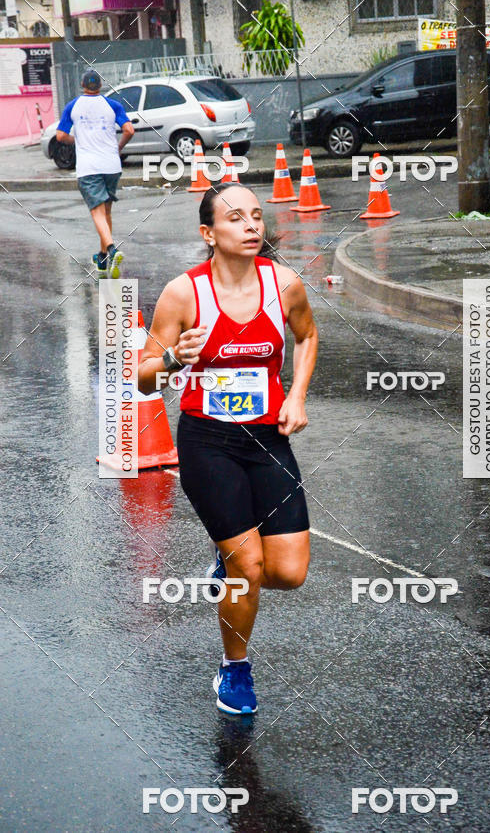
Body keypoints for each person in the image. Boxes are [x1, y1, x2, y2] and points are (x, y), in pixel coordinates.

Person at [138, 182, 318, 714]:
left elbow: (307, 337)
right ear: (208, 233)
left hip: (267, 438)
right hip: (207, 441)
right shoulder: (183, 294)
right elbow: (144, 378)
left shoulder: (284, 284)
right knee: (250, 567)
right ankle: (234, 670)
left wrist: (298, 395)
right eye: (236, 218)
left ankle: (228, 561)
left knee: (288, 572)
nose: (251, 226)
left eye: (257, 217)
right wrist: (171, 361)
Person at [56, 69, 135, 278]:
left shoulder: (73, 106)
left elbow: (60, 135)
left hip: (88, 167)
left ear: (83, 85)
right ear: (100, 86)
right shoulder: (113, 105)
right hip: (111, 165)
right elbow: (129, 130)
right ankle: (102, 257)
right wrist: (118, 148)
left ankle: (111, 249)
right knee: (106, 213)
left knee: (96, 213)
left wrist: (77, 141)